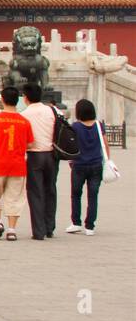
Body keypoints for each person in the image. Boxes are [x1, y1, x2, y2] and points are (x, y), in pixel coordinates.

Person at [0, 87, 32, 241]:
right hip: (17, 165)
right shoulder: (24, 121)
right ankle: (12, 229)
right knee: (14, 197)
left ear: (2, 100)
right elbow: (30, 144)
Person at [22, 83, 59, 240]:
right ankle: (50, 227)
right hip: (51, 155)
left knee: (36, 192)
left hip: (34, 155)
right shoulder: (51, 110)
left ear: (25, 98)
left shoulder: (24, 114)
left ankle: (39, 231)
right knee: (50, 190)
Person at [67, 98, 105, 236]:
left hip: (79, 164)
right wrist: (107, 160)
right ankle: (90, 226)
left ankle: (76, 223)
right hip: (96, 164)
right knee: (93, 196)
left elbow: (71, 145)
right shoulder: (98, 125)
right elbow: (104, 144)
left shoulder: (75, 126)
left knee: (76, 195)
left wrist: (70, 160)